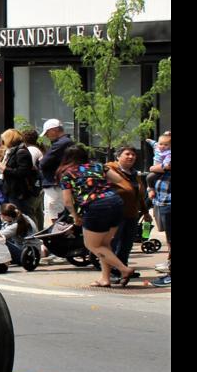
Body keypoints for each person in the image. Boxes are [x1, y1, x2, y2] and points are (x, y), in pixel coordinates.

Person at [56, 144, 137, 288]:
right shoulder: (99, 167)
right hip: (116, 202)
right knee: (104, 245)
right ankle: (105, 279)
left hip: (96, 207)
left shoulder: (67, 174)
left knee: (91, 245)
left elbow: (68, 201)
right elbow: (119, 180)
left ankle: (124, 269)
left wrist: (75, 216)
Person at [106, 145, 147, 282]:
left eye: (133, 155)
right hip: (115, 213)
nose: (131, 157)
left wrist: (145, 212)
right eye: (127, 154)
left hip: (132, 214)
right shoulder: (110, 169)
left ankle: (123, 269)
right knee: (113, 243)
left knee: (126, 244)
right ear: (118, 156)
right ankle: (110, 272)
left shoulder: (135, 174)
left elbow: (139, 195)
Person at [35, 118, 75, 226]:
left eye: (47, 133)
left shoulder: (60, 144)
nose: (47, 136)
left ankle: (56, 235)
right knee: (53, 212)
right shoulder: (67, 142)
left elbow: (43, 163)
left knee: (54, 212)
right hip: (57, 183)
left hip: (54, 183)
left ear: (54, 130)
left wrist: (41, 161)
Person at [149, 131, 170, 286]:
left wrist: (153, 167)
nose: (162, 146)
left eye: (166, 144)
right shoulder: (160, 149)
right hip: (162, 201)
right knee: (169, 239)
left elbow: (166, 166)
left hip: (168, 202)